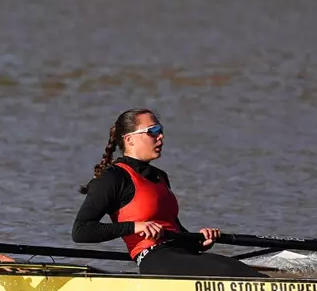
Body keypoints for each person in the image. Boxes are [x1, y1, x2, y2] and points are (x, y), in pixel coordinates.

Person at [72, 108, 265, 278]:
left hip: (181, 254)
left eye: (161, 130)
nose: (160, 136)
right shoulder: (113, 177)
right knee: (230, 270)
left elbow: (175, 230)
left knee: (238, 268)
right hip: (155, 259)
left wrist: (199, 241)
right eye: (153, 131)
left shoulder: (159, 176)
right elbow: (81, 231)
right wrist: (134, 227)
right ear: (129, 139)